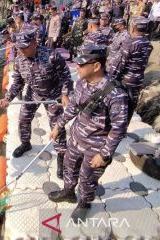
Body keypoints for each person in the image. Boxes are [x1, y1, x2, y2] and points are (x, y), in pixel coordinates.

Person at [49, 44, 129, 223]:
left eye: (82, 64)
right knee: (69, 168)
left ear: (96, 66)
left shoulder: (115, 94)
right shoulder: (81, 83)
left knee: (87, 179)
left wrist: (105, 154)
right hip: (77, 139)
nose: (77, 67)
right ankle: (68, 192)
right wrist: (58, 126)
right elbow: (72, 107)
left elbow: (119, 128)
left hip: (96, 147)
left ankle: (84, 203)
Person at [0, 29, 73, 179]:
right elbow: (17, 83)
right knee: (23, 118)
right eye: (19, 47)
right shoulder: (19, 60)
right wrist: (8, 98)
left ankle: (61, 156)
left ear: (34, 43)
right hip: (33, 93)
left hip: (53, 94)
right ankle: (26, 143)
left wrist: (65, 94)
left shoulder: (52, 55)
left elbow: (66, 77)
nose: (22, 50)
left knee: (57, 126)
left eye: (25, 46)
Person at [107, 16, 153, 120]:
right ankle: (124, 129)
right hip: (138, 79)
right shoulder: (147, 43)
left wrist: (108, 80)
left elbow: (118, 65)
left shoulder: (129, 43)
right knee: (131, 104)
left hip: (125, 81)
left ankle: (116, 129)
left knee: (120, 105)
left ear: (133, 27)